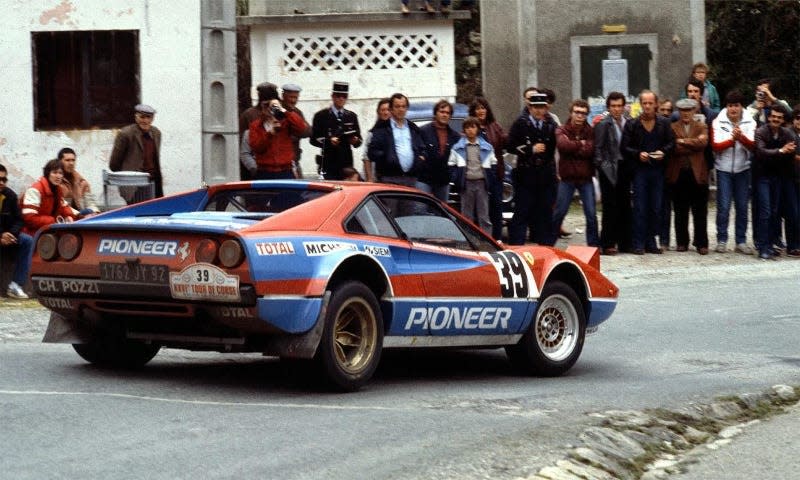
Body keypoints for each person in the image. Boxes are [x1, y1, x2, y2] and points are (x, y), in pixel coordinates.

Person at [621, 90, 675, 254]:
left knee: (656, 207)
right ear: (640, 104)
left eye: (651, 103)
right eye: (644, 103)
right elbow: (624, 147)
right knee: (640, 207)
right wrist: (638, 154)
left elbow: (672, 143)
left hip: (657, 171)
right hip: (639, 171)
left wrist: (663, 152)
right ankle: (638, 243)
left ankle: (651, 242)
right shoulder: (632, 124)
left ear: (656, 104)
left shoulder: (664, 123)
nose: (647, 106)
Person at [507, 92, 558, 246]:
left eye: (541, 107)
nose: (538, 111)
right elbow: (510, 146)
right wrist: (531, 149)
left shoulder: (550, 125)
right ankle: (516, 247)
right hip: (525, 175)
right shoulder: (520, 124)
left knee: (545, 213)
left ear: (546, 108)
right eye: (535, 107)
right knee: (522, 212)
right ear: (529, 107)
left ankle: (545, 248)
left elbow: (553, 148)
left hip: (544, 176)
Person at [711, 90, 757, 254]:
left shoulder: (750, 122)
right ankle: (722, 240)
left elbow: (754, 146)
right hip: (723, 169)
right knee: (723, 206)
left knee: (742, 206)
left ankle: (741, 241)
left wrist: (741, 138)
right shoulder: (718, 121)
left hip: (743, 168)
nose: (733, 109)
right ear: (726, 106)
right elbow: (715, 145)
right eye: (730, 106)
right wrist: (732, 140)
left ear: (741, 107)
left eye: (736, 106)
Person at [552, 99, 598, 247]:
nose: (580, 116)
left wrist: (574, 147)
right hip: (567, 178)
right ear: (571, 113)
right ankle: (549, 243)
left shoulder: (590, 131)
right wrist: (580, 144)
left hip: (586, 178)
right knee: (560, 212)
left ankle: (593, 245)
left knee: (591, 214)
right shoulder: (562, 129)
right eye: (577, 112)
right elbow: (563, 146)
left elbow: (590, 150)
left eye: (583, 113)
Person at [753, 104, 796, 260]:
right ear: (769, 117)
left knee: (775, 212)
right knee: (765, 211)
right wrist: (781, 151)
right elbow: (760, 151)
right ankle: (763, 247)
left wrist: (787, 152)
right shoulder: (760, 132)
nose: (776, 119)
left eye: (779, 117)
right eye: (773, 116)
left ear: (783, 119)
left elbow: (790, 153)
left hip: (778, 177)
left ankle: (771, 245)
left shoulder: (787, 134)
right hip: (762, 176)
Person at [668, 99, 710, 254]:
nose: (686, 113)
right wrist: (692, 144)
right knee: (680, 210)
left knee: (700, 210)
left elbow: (703, 144)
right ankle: (682, 242)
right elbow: (673, 147)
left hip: (697, 173)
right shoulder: (672, 127)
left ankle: (701, 243)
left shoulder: (702, 126)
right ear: (679, 112)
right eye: (683, 110)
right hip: (679, 173)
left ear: (694, 111)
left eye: (689, 110)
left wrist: (683, 141)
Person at [594, 91, 633, 255]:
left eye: (619, 106)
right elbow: (598, 149)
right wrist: (603, 167)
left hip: (625, 168)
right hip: (609, 169)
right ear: (608, 107)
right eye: (613, 106)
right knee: (610, 207)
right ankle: (608, 242)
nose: (617, 109)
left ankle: (625, 242)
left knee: (625, 205)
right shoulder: (603, 124)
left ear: (624, 107)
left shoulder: (629, 123)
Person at [246, 87, 310, 180]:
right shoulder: (256, 125)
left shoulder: (286, 121)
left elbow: (301, 128)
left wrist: (283, 110)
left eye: (271, 105)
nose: (268, 108)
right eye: (265, 105)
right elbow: (256, 147)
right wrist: (270, 133)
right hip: (264, 171)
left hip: (285, 170)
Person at [367, 93, 426, 188]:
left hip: (410, 179)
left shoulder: (413, 128)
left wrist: (420, 159)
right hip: (389, 179)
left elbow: (422, 148)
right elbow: (372, 152)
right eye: (397, 106)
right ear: (391, 109)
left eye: (403, 106)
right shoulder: (381, 128)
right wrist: (387, 158)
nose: (401, 109)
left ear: (407, 108)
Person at [448, 116, 496, 234]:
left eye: (473, 127)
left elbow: (493, 163)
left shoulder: (487, 147)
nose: (470, 130)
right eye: (467, 127)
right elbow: (451, 164)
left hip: (481, 183)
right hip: (466, 184)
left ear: (478, 129)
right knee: (466, 215)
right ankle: (468, 238)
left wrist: (489, 178)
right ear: (464, 130)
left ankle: (487, 238)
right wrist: (457, 178)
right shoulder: (458, 148)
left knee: (484, 215)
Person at [109, 104, 163, 204]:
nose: (145, 120)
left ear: (152, 119)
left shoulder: (156, 133)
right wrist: (127, 176)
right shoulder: (126, 134)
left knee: (154, 213)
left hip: (152, 182)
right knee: (137, 214)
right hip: (133, 184)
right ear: (136, 117)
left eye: (148, 117)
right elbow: (114, 164)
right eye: (142, 117)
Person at [469, 97, 507, 240]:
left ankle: (496, 239)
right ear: (473, 111)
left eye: (483, 108)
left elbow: (504, 141)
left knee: (496, 209)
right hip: (477, 176)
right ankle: (478, 241)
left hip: (495, 175)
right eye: (477, 108)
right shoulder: (469, 127)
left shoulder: (495, 126)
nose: (480, 111)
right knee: (479, 210)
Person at [310, 81, 362, 180]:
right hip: (328, 163)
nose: (341, 98)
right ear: (332, 96)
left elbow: (359, 140)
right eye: (338, 96)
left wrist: (355, 141)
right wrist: (329, 141)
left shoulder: (351, 116)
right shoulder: (321, 116)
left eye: (344, 96)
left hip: (346, 164)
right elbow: (313, 139)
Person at [0, 164, 33, 299]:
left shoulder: (10, 195)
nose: (1, 182)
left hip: (8, 235)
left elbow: (19, 219)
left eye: (4, 179)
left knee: (27, 241)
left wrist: (11, 234)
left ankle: (16, 285)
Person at [20, 159, 76, 237]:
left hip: (49, 230)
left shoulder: (57, 189)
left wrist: (69, 216)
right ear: (47, 174)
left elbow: (64, 207)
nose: (58, 176)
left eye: (61, 173)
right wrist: (53, 220)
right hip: (32, 232)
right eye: (54, 172)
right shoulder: (35, 190)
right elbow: (29, 219)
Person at [418, 100, 460, 202]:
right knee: (420, 210)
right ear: (435, 113)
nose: (444, 115)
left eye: (447, 113)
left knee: (441, 212)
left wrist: (452, 174)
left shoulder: (455, 136)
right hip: (424, 180)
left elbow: (458, 159)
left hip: (443, 182)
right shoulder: (423, 131)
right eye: (442, 112)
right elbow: (418, 152)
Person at [239, 82, 280, 180]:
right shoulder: (249, 114)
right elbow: (244, 146)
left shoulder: (282, 114)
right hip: (256, 167)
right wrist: (253, 167)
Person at [281, 83, 312, 178]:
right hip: (280, 162)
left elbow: (309, 131)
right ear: (283, 96)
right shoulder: (277, 111)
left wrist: (296, 132)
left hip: (294, 160)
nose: (293, 100)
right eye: (291, 97)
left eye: (296, 97)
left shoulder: (297, 112)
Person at [57, 147, 99, 216]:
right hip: (64, 218)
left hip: (82, 219)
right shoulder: (56, 182)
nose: (71, 163)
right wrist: (79, 215)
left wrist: (94, 212)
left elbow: (90, 203)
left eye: (73, 160)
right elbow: (60, 207)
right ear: (60, 162)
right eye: (67, 160)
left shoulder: (82, 182)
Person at [362, 98, 391, 182]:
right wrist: (369, 178)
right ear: (378, 112)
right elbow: (366, 157)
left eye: (388, 110)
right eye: (383, 110)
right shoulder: (373, 133)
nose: (386, 112)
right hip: (379, 177)